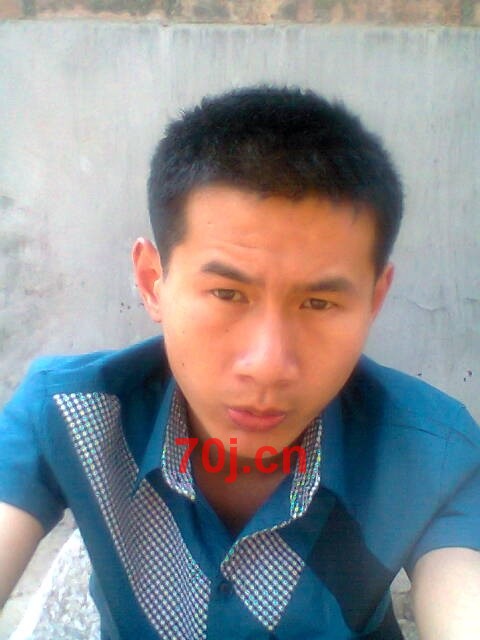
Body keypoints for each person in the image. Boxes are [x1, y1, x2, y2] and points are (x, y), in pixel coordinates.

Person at [0, 86, 479, 640]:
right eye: (227, 294)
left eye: (319, 303)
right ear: (153, 282)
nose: (268, 365)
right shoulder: (68, 414)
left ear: (374, 299)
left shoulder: (430, 449)